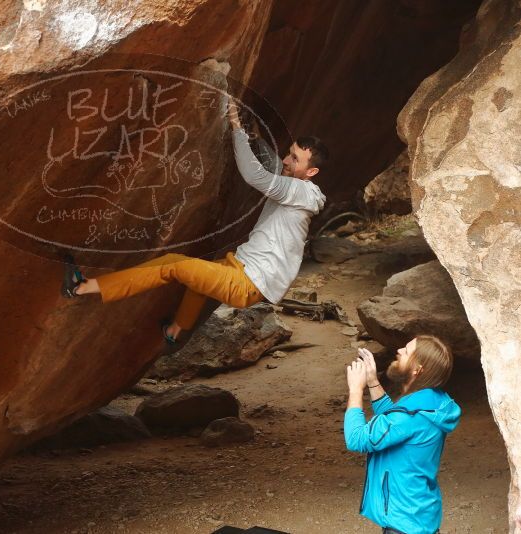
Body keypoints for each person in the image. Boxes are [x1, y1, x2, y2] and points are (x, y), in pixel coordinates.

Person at [61, 103, 328, 344]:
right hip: (240, 268)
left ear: (311, 172)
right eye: (289, 153)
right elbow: (272, 165)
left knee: (174, 266)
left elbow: (255, 175)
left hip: (247, 281)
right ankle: (175, 331)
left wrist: (236, 127)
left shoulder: (300, 192)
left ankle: (83, 286)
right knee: (194, 277)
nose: (286, 160)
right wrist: (255, 138)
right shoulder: (296, 186)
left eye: (295, 159)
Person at [345, 336, 461, 534]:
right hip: (420, 513)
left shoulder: (409, 417)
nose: (399, 350)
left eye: (406, 351)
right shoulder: (431, 402)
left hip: (404, 523)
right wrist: (373, 381)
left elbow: (357, 439)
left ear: (417, 370)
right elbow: (394, 422)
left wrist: (356, 389)